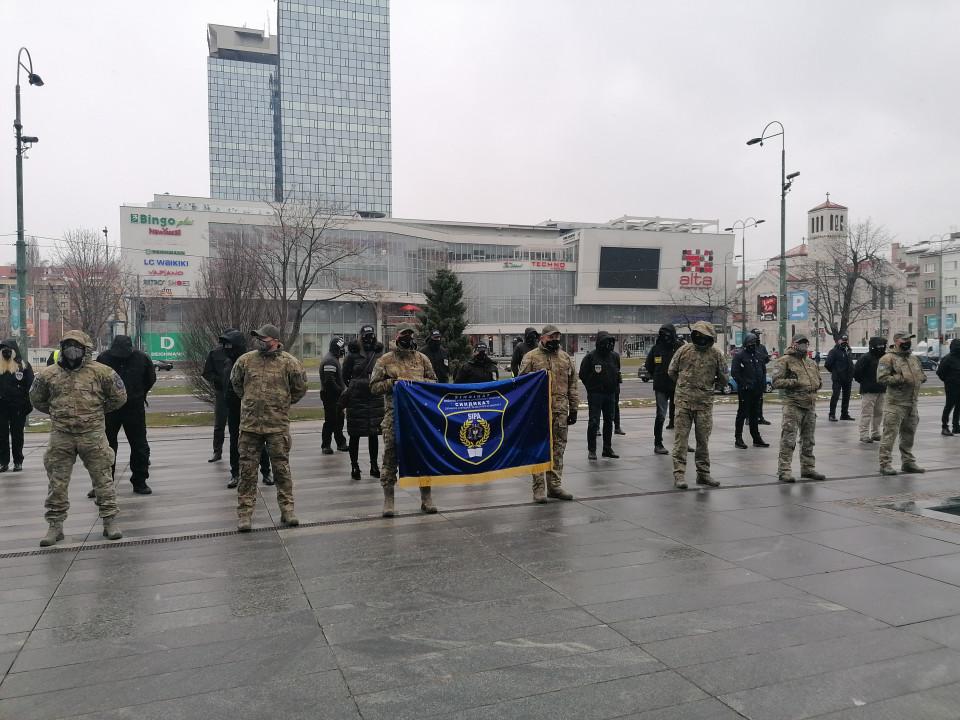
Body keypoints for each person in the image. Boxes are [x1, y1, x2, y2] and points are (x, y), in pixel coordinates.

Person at [30, 331, 127, 546]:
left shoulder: (101, 372)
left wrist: (97, 412)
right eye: (68, 345)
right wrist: (57, 412)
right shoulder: (48, 375)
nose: (72, 349)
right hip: (61, 436)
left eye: (77, 345)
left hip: (92, 435)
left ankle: (110, 521)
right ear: (62, 348)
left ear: (85, 349)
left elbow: (119, 397)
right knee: (57, 482)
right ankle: (55, 526)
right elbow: (37, 399)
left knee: (103, 480)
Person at [230, 324, 307, 531]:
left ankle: (287, 510)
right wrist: (251, 402)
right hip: (250, 427)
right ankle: (245, 514)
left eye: (263, 338)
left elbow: (299, 389)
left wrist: (280, 404)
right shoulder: (245, 361)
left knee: (281, 470)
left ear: (274, 340)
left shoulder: (289, 363)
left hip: (277, 426)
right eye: (257, 338)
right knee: (247, 472)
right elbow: (237, 385)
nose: (259, 341)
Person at [370, 324, 438, 516]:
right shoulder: (385, 360)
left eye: (410, 335)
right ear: (397, 336)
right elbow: (373, 387)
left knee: (423, 457)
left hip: (418, 418)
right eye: (404, 335)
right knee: (390, 457)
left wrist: (417, 384)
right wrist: (394, 383)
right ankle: (389, 500)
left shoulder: (422, 359)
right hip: (394, 416)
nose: (407, 338)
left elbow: (434, 382)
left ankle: (426, 498)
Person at [519, 324, 578, 503]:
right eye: (551, 337)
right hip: (538, 412)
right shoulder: (531, 357)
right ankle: (539, 489)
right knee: (537, 449)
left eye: (557, 337)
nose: (554, 340)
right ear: (542, 338)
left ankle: (555, 485)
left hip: (560, 411)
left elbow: (573, 384)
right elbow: (522, 384)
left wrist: (574, 408)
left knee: (558, 449)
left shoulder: (565, 358)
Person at [667, 321, 727, 489]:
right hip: (684, 403)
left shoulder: (716, 354)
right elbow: (671, 371)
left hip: (704, 405)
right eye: (697, 335)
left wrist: (708, 385)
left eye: (704, 336)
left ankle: (703, 474)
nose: (700, 339)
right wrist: (683, 386)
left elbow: (724, 378)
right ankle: (679, 474)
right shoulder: (684, 350)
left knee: (703, 441)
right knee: (681, 441)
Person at [96, 335, 156, 495]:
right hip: (110, 408)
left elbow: (150, 379)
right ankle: (103, 484)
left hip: (134, 407)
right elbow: (95, 381)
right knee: (106, 447)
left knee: (139, 446)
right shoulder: (103, 358)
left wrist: (138, 393)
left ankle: (140, 481)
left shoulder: (141, 358)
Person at [771, 335, 825, 483]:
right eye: (800, 343)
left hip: (810, 404)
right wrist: (794, 382)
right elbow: (776, 382)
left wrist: (816, 384)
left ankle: (808, 468)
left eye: (805, 343)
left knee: (809, 440)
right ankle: (784, 470)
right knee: (789, 439)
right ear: (793, 344)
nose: (804, 346)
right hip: (793, 405)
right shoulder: (784, 361)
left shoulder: (810, 362)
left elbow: (817, 379)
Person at [876, 331, 926, 475]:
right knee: (889, 435)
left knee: (909, 434)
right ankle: (885, 464)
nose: (908, 342)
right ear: (897, 341)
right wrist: (901, 378)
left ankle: (908, 462)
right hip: (895, 404)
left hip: (912, 403)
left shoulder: (913, 358)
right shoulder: (888, 358)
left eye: (909, 339)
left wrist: (920, 378)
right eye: (905, 339)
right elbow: (882, 378)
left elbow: (921, 374)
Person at [340, 326, 385, 481]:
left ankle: (374, 465)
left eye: (371, 336)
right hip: (356, 399)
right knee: (355, 434)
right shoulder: (352, 355)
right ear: (360, 337)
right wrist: (356, 385)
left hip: (375, 399)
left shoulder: (379, 353)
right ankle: (354, 465)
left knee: (374, 434)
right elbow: (345, 375)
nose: (369, 339)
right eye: (366, 336)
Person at [578, 331, 619, 460]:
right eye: (607, 342)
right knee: (593, 422)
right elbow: (582, 374)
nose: (609, 345)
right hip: (596, 394)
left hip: (610, 394)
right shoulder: (590, 357)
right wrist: (591, 387)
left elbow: (617, 372)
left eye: (610, 342)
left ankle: (607, 448)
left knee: (609, 421)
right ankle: (592, 450)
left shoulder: (614, 357)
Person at [645, 323, 683, 454]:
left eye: (667, 334)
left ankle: (683, 443)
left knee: (681, 416)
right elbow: (649, 365)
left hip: (676, 385)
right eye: (663, 334)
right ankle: (658, 443)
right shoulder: (656, 348)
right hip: (661, 386)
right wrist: (657, 375)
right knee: (660, 415)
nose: (665, 337)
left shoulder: (679, 347)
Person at [0, 338, 34, 472]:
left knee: (17, 435)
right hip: (1, 407)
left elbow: (30, 385)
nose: (5, 352)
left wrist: (26, 402)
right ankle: (3, 462)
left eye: (8, 350)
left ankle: (18, 461)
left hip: (18, 407)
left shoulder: (23, 366)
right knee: (1, 435)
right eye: (3, 350)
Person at [731, 332, 769, 450]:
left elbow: (763, 371)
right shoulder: (740, 356)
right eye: (750, 343)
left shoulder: (758, 355)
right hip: (745, 391)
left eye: (754, 343)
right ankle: (738, 438)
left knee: (754, 414)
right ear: (746, 344)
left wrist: (762, 385)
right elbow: (735, 373)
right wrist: (744, 385)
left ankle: (756, 438)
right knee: (742, 414)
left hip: (756, 390)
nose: (752, 346)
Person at [202, 331, 233, 463]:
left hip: (237, 393)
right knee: (219, 424)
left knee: (239, 425)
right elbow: (207, 373)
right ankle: (217, 451)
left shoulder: (240, 353)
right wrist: (219, 380)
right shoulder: (215, 353)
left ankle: (239, 450)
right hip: (221, 392)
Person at [853, 337, 887, 443]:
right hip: (868, 390)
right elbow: (856, 373)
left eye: (883, 346)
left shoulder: (885, 358)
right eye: (879, 346)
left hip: (881, 389)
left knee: (879, 412)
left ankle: (876, 433)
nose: (881, 348)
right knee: (866, 413)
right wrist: (865, 382)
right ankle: (864, 434)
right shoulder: (865, 358)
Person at [320, 337, 349, 454]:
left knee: (339, 420)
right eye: (342, 348)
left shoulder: (333, 359)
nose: (343, 351)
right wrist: (341, 392)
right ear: (337, 349)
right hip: (331, 396)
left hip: (335, 396)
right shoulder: (330, 361)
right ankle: (326, 445)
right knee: (330, 421)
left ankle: (340, 443)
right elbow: (329, 381)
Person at [825, 334, 855, 421]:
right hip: (837, 378)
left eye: (846, 340)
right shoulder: (834, 351)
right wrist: (835, 371)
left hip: (848, 378)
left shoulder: (849, 350)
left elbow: (850, 363)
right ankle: (832, 414)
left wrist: (852, 373)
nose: (844, 342)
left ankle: (844, 414)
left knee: (847, 396)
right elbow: (827, 364)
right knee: (836, 396)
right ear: (838, 341)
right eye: (843, 340)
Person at [936, 339, 960, 436]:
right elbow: (940, 372)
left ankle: (956, 426)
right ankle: (944, 427)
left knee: (959, 406)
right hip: (951, 386)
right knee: (949, 406)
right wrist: (948, 381)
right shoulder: (947, 359)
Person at [749, 329, 772, 425]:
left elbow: (765, 359)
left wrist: (767, 358)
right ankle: (749, 418)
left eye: (759, 335)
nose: (758, 337)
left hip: (761, 375)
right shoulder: (748, 347)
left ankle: (760, 417)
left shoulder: (762, 347)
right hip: (751, 377)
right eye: (756, 335)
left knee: (760, 398)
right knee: (750, 399)